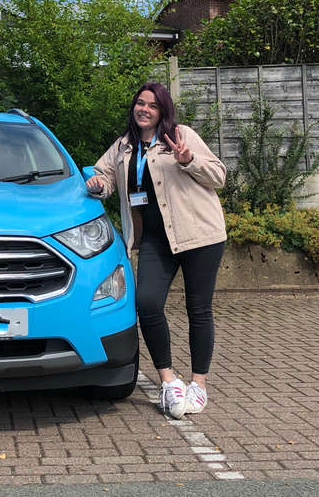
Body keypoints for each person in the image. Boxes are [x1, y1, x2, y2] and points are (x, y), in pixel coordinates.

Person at [86, 82, 226, 419]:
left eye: (152, 105)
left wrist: (189, 160)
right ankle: (168, 381)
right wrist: (97, 184)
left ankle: (199, 384)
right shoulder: (122, 147)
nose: (144, 109)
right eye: (140, 103)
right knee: (146, 304)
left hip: (200, 235)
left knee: (199, 309)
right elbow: (101, 174)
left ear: (163, 111)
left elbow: (219, 176)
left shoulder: (180, 135)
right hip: (154, 240)